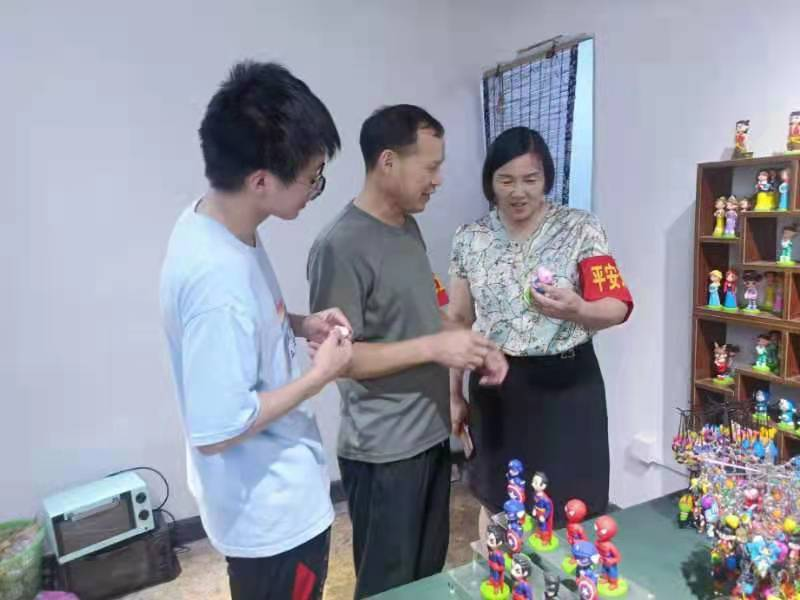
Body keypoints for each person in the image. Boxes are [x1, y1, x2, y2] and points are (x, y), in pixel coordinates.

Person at [160, 61, 353, 600]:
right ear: (262, 181)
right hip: (271, 520)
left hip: (275, 497)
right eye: (312, 177)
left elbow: (247, 324)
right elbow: (219, 429)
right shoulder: (215, 280)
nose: (315, 189)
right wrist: (319, 377)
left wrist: (301, 323)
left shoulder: (214, 222)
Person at [307, 104, 507, 598]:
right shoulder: (340, 246)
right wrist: (436, 346)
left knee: (425, 579)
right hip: (384, 453)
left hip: (429, 437)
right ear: (388, 162)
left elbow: (421, 316)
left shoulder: (406, 227)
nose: (438, 180)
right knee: (388, 586)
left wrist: (474, 346)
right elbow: (340, 361)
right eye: (431, 167)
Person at [447, 126, 633, 537]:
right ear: (490, 182)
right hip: (496, 388)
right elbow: (458, 320)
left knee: (573, 506)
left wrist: (579, 309)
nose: (519, 192)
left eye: (530, 179)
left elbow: (617, 305)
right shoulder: (470, 238)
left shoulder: (581, 228)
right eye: (506, 180)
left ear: (546, 178)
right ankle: (500, 572)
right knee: (499, 500)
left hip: (568, 387)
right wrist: (454, 394)